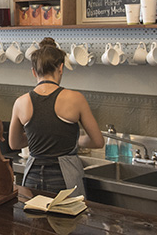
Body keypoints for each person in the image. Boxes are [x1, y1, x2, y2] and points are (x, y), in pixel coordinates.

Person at [9, 37, 104, 196]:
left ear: (33, 71)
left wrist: (37, 136)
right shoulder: (75, 99)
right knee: (67, 220)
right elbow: (97, 141)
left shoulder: (21, 102)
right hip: (65, 178)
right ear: (61, 67)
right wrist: (75, 140)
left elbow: (14, 143)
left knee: (35, 219)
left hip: (32, 176)